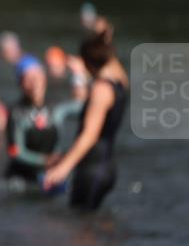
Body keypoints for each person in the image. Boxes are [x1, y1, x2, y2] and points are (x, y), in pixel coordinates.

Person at [43, 32, 128, 210]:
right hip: (106, 165)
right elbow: (112, 62)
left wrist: (63, 168)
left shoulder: (100, 89)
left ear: (87, 62)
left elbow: (90, 135)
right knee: (92, 226)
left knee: (81, 230)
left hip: (92, 169)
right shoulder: (121, 82)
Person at [5, 55, 82, 185]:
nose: (34, 81)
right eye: (28, 78)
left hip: (51, 174)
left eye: (36, 76)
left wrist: (78, 75)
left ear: (44, 78)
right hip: (22, 179)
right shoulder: (16, 112)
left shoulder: (56, 105)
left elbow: (85, 107)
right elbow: (15, 152)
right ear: (20, 83)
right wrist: (45, 161)